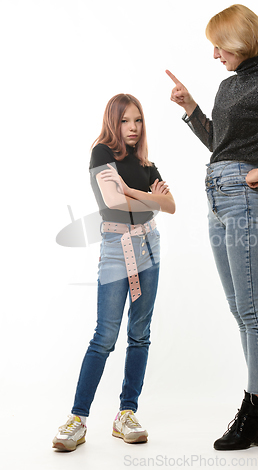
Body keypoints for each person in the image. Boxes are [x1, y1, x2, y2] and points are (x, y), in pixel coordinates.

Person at [166, 4, 258, 451]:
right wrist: (191, 108)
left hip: (243, 199)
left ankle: (255, 411)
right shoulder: (229, 86)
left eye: (219, 45)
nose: (214, 54)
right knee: (239, 310)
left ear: (240, 41)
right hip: (218, 197)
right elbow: (219, 144)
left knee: (254, 312)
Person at [52, 94, 175, 451]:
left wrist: (133, 191)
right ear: (113, 122)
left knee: (140, 334)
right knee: (104, 335)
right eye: (125, 121)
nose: (133, 128)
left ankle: (126, 414)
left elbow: (172, 205)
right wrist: (149, 198)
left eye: (138, 120)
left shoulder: (148, 165)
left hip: (148, 248)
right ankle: (77, 418)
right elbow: (113, 203)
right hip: (116, 249)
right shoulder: (102, 154)